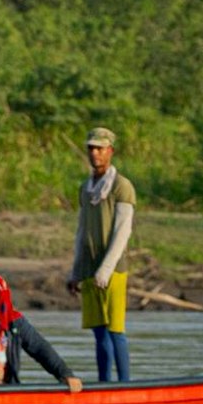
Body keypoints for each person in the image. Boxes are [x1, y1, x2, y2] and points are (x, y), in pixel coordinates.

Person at [67, 126, 137, 382]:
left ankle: (125, 385)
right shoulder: (86, 188)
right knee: (98, 331)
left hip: (113, 269)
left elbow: (122, 232)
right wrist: (76, 271)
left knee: (116, 329)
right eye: (91, 148)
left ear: (110, 151)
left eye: (100, 148)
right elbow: (81, 230)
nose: (94, 153)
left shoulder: (122, 186)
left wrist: (106, 270)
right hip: (88, 268)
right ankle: (104, 385)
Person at [0, 272, 81, 396]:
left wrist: (65, 374)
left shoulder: (15, 321)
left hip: (7, 389)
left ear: (1, 296)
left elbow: (41, 348)